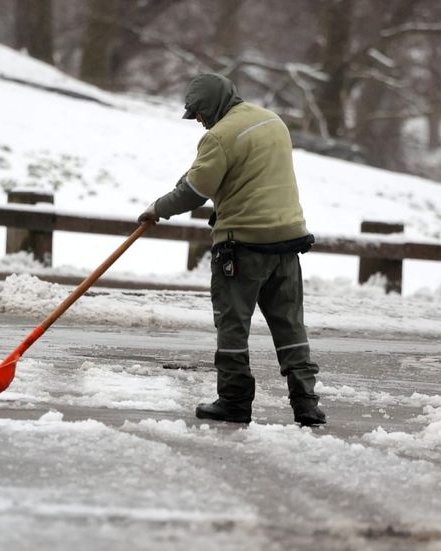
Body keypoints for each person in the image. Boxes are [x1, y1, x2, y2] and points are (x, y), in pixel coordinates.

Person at [138, 73, 325, 426]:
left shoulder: (219, 137)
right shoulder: (273, 122)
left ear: (209, 109)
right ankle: (306, 403)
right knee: (289, 325)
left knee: (233, 324)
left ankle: (235, 401)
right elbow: (231, 173)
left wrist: (157, 208)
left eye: (199, 115)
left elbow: (195, 190)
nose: (199, 122)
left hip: (243, 245)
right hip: (288, 239)